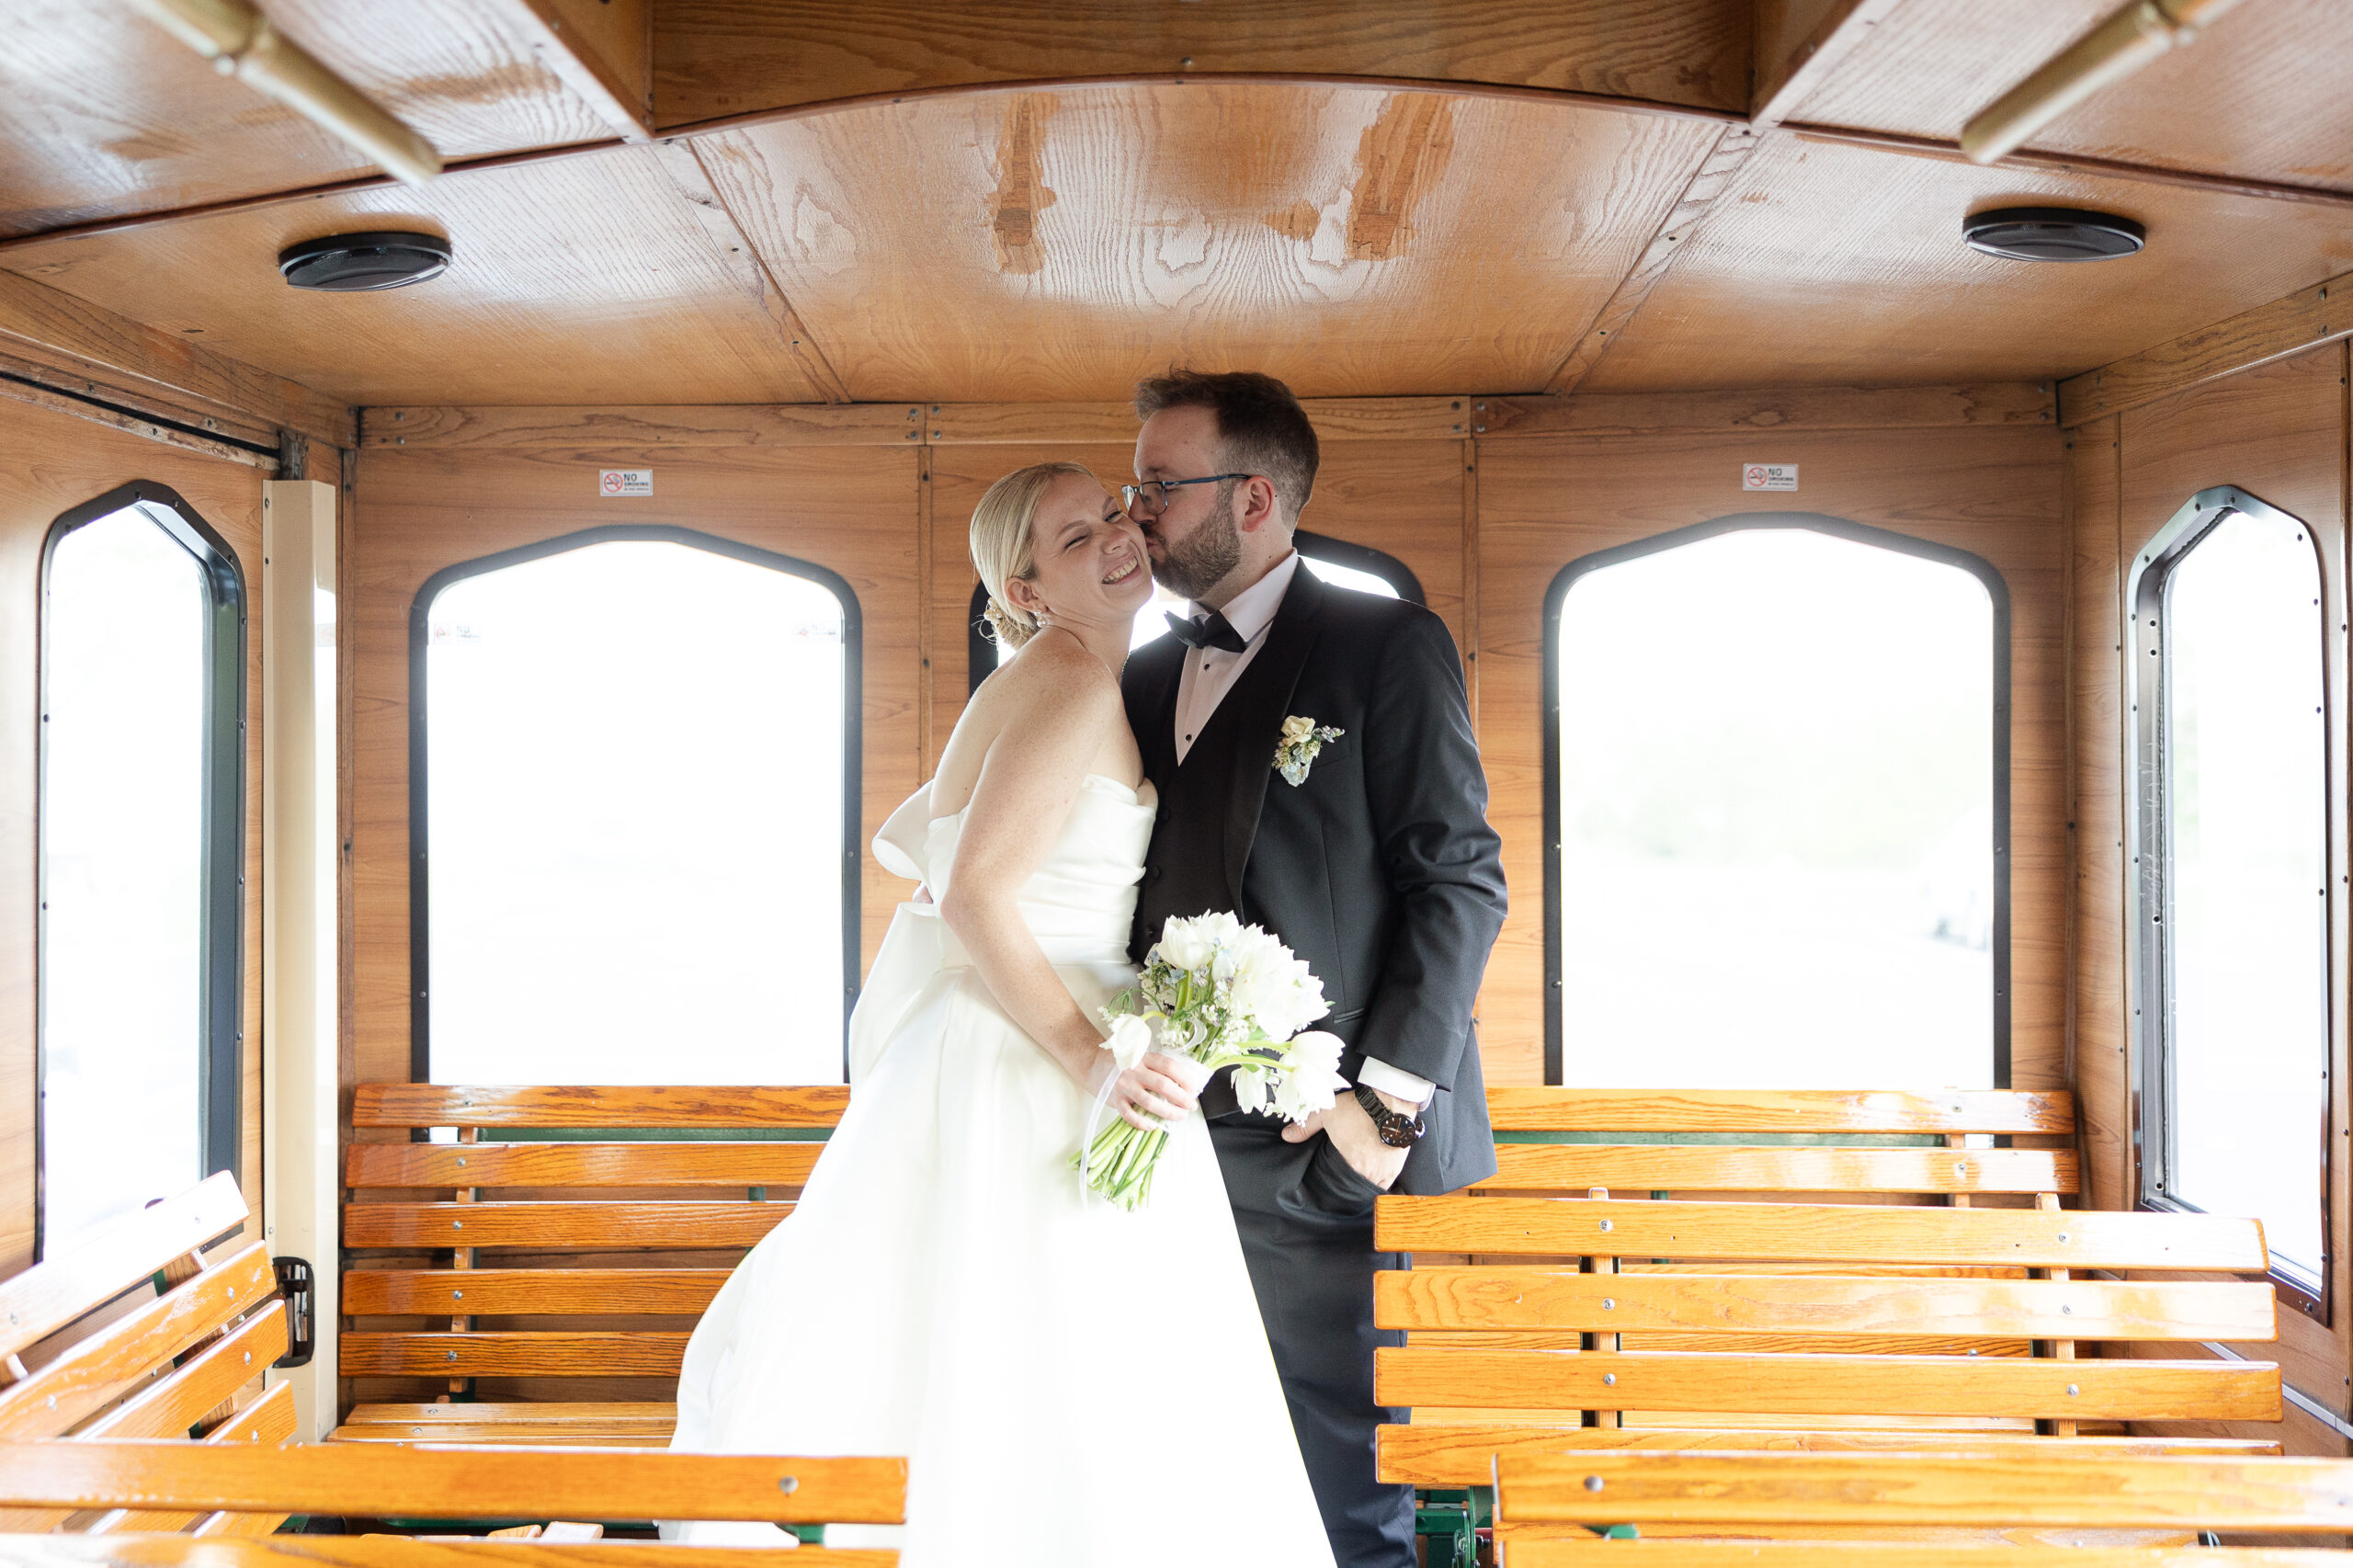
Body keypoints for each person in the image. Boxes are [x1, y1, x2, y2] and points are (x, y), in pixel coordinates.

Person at [665, 461, 1335, 1566]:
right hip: (1036, 1056)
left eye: (1114, 513)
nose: (1118, 539)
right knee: (1054, 1357)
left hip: (1015, 1034)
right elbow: (974, 894)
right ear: (1025, 592)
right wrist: (1095, 1064)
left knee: (1040, 1355)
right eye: (1075, 540)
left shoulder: (1058, 676)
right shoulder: (1070, 680)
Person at [1122, 369, 1507, 1566]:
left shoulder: (1385, 641)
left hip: (1320, 1136)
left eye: (1158, 485)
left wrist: (1383, 1109)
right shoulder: (1137, 673)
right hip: (1164, 1130)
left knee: (1339, 1473)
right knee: (1178, 1450)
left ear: (1250, 498)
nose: (1139, 509)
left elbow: (1460, 880)